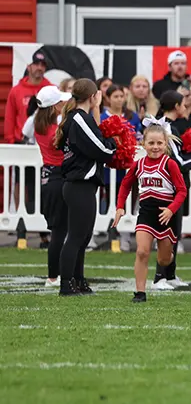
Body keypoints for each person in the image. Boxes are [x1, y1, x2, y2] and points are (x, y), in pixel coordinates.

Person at [54, 79, 117, 296]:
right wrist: (114, 145)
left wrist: (97, 108)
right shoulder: (79, 118)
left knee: (83, 236)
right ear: (92, 96)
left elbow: (95, 136)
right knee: (76, 236)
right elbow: (100, 148)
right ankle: (66, 284)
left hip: (83, 185)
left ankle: (78, 280)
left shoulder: (82, 118)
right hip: (78, 184)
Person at [112, 122, 187, 303]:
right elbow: (125, 184)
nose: (155, 147)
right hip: (146, 214)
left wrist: (171, 209)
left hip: (165, 216)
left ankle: (166, 264)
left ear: (165, 144)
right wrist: (120, 206)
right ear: (143, 144)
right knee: (142, 252)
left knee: (164, 260)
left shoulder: (170, 164)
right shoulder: (138, 165)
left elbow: (182, 190)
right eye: (151, 143)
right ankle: (140, 293)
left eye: (159, 143)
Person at [22, 86, 71, 288]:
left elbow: (23, 133)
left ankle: (54, 275)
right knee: (60, 232)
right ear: (53, 107)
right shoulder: (57, 126)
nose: (64, 104)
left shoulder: (37, 122)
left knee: (57, 230)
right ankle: (53, 277)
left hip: (48, 178)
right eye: (60, 102)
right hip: (59, 178)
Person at [151, 91, 191, 290]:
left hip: (174, 186)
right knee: (167, 232)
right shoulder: (166, 127)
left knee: (175, 231)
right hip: (169, 187)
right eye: (183, 104)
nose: (185, 107)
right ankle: (159, 277)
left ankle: (170, 274)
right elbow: (177, 162)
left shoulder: (170, 126)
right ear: (176, 106)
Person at [152, 51, 191, 121]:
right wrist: (177, 95)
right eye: (176, 63)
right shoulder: (160, 85)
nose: (180, 66)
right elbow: (157, 108)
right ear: (169, 67)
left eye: (183, 63)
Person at [5, 52, 52, 143]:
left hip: (44, 142)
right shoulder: (16, 90)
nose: (39, 68)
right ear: (28, 66)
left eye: (42, 65)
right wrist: (11, 140)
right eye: (36, 64)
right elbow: (10, 117)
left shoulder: (51, 89)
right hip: (20, 141)